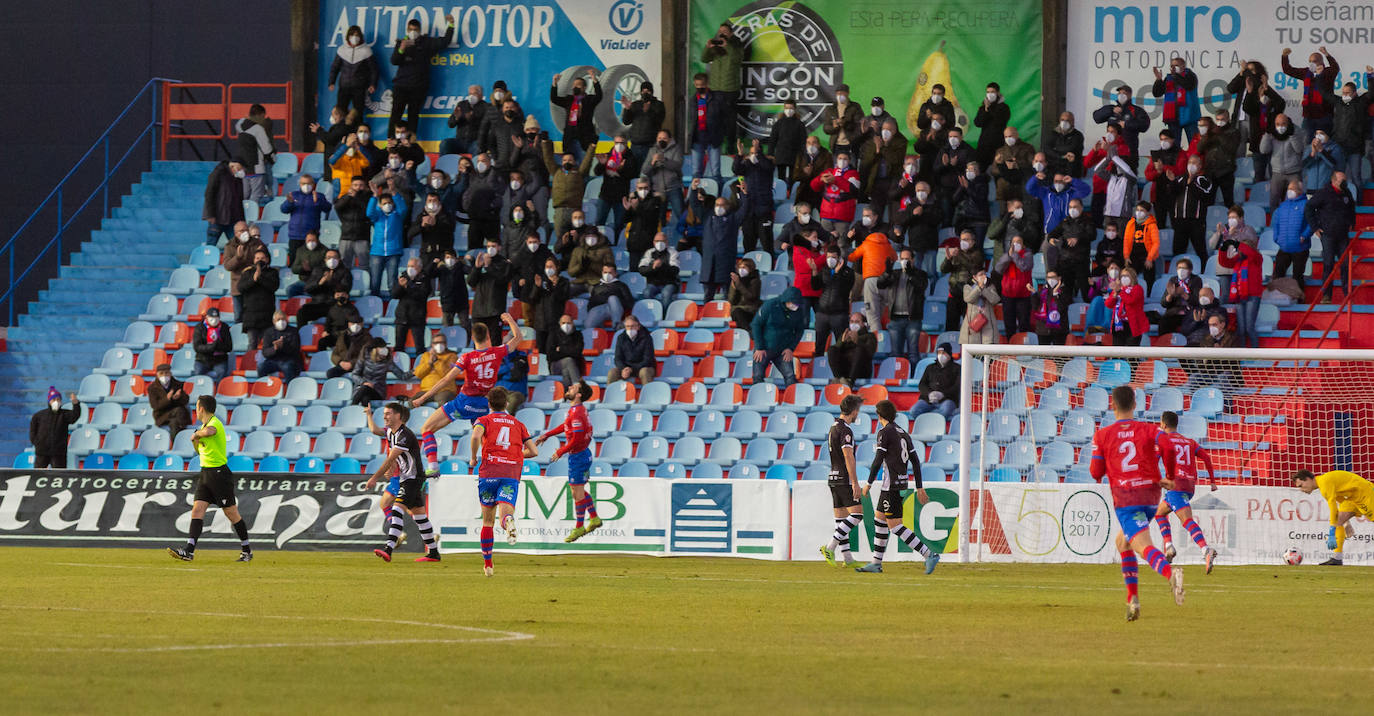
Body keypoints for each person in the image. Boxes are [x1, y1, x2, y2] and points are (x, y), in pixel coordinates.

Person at [1090, 386, 1185, 621]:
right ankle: (1132, 599)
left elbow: (1095, 472)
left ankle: (1171, 574)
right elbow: (1169, 447)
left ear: (1112, 406)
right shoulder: (1150, 429)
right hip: (1151, 496)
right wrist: (1171, 476)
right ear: (1135, 405)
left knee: (1142, 546)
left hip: (1126, 497)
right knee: (1122, 542)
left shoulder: (1103, 435)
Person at [412, 313, 523, 476]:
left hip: (463, 404)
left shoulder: (467, 358)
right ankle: (495, 468)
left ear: (472, 337)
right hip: (485, 405)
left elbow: (445, 380)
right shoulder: (497, 352)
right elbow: (518, 337)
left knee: (426, 428)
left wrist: (422, 398)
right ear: (488, 336)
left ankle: (433, 466)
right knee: (487, 438)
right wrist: (511, 320)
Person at [855, 400, 941, 574]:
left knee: (895, 526)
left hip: (891, 485)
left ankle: (929, 554)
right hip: (900, 482)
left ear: (879, 416)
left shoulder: (884, 432)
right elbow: (915, 461)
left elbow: (878, 459)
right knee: (880, 520)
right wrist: (919, 487)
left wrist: (868, 484)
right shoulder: (903, 433)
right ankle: (876, 563)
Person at [167, 396, 252, 563]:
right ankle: (189, 551)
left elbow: (210, 432)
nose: (195, 410)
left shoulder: (215, 423)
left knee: (231, 513)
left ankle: (247, 550)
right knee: (197, 510)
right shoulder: (202, 427)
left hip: (219, 474)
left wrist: (196, 434)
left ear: (201, 409)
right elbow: (199, 450)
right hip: (206, 473)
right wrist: (196, 440)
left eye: (197, 407)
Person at [468, 387, 536, 575]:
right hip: (510, 472)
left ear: (489, 404)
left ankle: (488, 564)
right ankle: (508, 521)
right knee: (505, 512)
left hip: (489, 471)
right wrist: (514, 454)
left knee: (487, 522)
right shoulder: (518, 423)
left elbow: (475, 436)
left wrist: (473, 458)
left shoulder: (483, 420)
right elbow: (534, 451)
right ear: (506, 404)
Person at [365, 402, 441, 563]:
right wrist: (369, 415)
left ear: (398, 416)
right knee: (420, 517)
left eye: (388, 414)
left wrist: (374, 478)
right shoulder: (390, 433)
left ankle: (388, 549)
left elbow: (391, 458)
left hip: (412, 478)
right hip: (407, 478)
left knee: (396, 508)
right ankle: (433, 553)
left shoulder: (404, 435)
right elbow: (392, 457)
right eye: (384, 414)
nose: (385, 416)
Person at [534, 381, 601, 542]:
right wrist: (548, 434)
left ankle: (579, 527)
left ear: (579, 395)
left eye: (573, 388)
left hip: (578, 456)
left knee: (576, 493)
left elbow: (577, 437)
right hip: (582, 454)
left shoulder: (577, 412)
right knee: (576, 490)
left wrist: (560, 451)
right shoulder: (577, 410)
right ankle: (594, 518)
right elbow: (566, 426)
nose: (569, 388)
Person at [1154, 411, 1218, 571]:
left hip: (1176, 484)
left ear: (1163, 424)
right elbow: (1206, 457)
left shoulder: (1163, 440)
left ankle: (1205, 549)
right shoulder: (1189, 441)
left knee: (1186, 520)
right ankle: (1168, 546)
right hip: (1190, 485)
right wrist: (1212, 481)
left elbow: (1154, 461)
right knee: (1159, 513)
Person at [1290, 469, 1374, 566]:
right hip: (1353, 498)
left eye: (1301, 486)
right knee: (1338, 521)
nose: (1301, 490)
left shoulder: (1324, 484)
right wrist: (1346, 523)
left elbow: (1333, 509)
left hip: (1364, 493)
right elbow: (1341, 502)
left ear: (1308, 479)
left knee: (1336, 522)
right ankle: (1337, 558)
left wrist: (1331, 532)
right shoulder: (1324, 483)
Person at [388, 14, 454, 137]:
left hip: (418, 86)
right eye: (410, 30)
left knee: (413, 114)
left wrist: (451, 25)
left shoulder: (426, 43)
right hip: (401, 86)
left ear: (419, 31)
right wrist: (401, 48)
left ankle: (411, 142)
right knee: (396, 114)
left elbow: (445, 42)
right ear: (407, 30)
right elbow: (394, 61)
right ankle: (391, 141)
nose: (413, 32)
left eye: (415, 30)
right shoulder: (401, 43)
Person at [819, 394, 865, 569]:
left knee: (841, 520)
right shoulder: (845, 430)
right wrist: (854, 482)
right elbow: (848, 456)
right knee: (857, 514)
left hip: (833, 477)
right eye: (858, 411)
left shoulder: (833, 427)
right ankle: (830, 547)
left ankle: (847, 558)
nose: (857, 415)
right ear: (853, 411)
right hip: (844, 478)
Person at [1306, 170, 1357, 303]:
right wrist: (1315, 227)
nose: (1345, 183)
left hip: (1343, 236)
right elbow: (1309, 208)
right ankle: (1326, 296)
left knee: (1345, 265)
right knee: (1328, 265)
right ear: (1334, 181)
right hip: (1328, 235)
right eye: (1342, 181)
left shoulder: (1346, 193)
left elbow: (1352, 208)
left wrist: (1352, 222)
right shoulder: (1323, 193)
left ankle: (1347, 295)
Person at [692, 181, 747, 300]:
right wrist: (693, 190)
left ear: (727, 207)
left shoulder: (733, 219)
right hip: (709, 264)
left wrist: (744, 194)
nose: (719, 208)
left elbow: (744, 210)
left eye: (722, 205)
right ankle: (706, 315)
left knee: (728, 295)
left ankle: (728, 314)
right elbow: (695, 206)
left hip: (725, 262)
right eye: (717, 205)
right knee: (708, 296)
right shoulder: (707, 217)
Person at [877, 247, 927, 365]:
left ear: (913, 260)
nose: (904, 261)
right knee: (895, 354)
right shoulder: (895, 273)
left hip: (913, 319)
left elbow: (921, 286)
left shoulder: (921, 274)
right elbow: (880, 284)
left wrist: (910, 274)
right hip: (895, 319)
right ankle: (896, 376)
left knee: (913, 354)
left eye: (907, 259)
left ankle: (914, 378)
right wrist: (886, 272)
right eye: (902, 258)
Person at [1324, 76, 1374, 192]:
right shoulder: (1338, 102)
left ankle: (1358, 206)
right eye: (1343, 92)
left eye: (1348, 92)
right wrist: (1320, 76)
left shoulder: (1361, 103)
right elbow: (1324, 93)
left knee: (1356, 178)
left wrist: (1370, 77)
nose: (1345, 95)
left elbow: (1372, 93)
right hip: (1339, 147)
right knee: (1337, 177)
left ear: (1355, 93)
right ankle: (1338, 201)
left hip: (1354, 149)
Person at [543, 135, 597, 240]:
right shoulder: (556, 171)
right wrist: (545, 143)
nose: (567, 162)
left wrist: (592, 147)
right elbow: (548, 159)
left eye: (570, 160)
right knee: (561, 239)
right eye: (564, 160)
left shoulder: (579, 173)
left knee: (577, 238)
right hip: (560, 211)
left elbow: (587, 161)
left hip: (575, 210)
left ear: (574, 162)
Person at [750, 287, 807, 386]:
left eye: (797, 303)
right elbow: (756, 325)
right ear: (786, 300)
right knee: (757, 377)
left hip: (783, 350)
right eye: (793, 303)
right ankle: (759, 399)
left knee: (790, 377)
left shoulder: (799, 311)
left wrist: (790, 348)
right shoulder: (770, 305)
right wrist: (759, 347)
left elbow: (799, 330)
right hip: (764, 348)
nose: (795, 306)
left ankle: (793, 399)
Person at [1280, 46, 1340, 139]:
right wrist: (1284, 56)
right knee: (1306, 142)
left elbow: (1335, 67)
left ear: (1321, 62)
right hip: (1309, 115)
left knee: (1324, 143)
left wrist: (1326, 54)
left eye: (1315, 61)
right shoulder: (1306, 72)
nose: (1312, 63)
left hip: (1324, 115)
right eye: (1310, 61)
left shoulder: (1328, 72)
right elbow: (1288, 70)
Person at [701, 22, 744, 148]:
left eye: (725, 31)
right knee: (714, 119)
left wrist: (727, 45)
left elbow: (735, 59)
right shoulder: (716, 46)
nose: (722, 34)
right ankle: (715, 144)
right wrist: (707, 47)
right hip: (714, 89)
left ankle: (730, 145)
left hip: (730, 90)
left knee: (730, 121)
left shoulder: (736, 44)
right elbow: (704, 59)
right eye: (720, 31)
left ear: (731, 34)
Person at [591, 135, 640, 243]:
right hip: (605, 195)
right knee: (599, 222)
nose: (619, 145)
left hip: (621, 196)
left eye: (622, 143)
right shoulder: (608, 156)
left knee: (619, 224)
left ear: (626, 144)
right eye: (617, 142)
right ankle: (598, 243)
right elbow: (597, 172)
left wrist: (620, 170)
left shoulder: (630, 158)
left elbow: (632, 174)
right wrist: (602, 164)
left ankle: (618, 245)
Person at [732, 138, 777, 253]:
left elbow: (768, 167)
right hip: (749, 210)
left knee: (767, 244)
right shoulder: (747, 164)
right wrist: (740, 154)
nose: (753, 156)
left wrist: (759, 155)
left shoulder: (768, 163)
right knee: (748, 244)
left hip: (764, 210)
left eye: (755, 153)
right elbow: (736, 169)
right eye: (751, 153)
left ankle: (770, 267)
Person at [1091, 84, 1150, 170]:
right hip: (1112, 151)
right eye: (1119, 93)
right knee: (1111, 177)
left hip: (1129, 152)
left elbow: (1145, 125)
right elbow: (1096, 118)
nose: (1121, 95)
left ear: (1129, 95)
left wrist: (1127, 124)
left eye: (1124, 93)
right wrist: (1111, 110)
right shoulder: (1112, 109)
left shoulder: (1136, 110)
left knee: (1129, 177)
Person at [1045, 199, 1094, 301]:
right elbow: (1052, 234)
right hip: (1065, 261)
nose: (1072, 209)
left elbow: (1092, 235)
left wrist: (1078, 238)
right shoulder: (1065, 222)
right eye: (1070, 207)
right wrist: (1051, 240)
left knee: (1086, 291)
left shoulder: (1088, 221)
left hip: (1081, 261)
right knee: (1066, 292)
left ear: (1081, 208)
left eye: (1075, 207)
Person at [1217, 239, 1262, 348]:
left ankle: (1256, 353)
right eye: (1241, 248)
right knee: (1241, 329)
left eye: (1244, 247)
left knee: (1249, 327)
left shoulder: (1257, 258)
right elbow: (1224, 262)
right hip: (1239, 297)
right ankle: (1241, 354)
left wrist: (1238, 244)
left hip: (1253, 297)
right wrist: (1223, 249)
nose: (1242, 249)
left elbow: (1251, 253)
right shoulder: (1238, 260)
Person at [550, 69, 602, 163]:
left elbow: (599, 96)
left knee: (584, 166)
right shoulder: (569, 99)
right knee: (570, 165)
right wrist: (554, 83)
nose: (575, 87)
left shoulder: (589, 99)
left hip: (585, 138)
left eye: (578, 85)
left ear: (584, 87)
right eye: (573, 85)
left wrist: (594, 79)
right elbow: (554, 99)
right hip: (570, 139)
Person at [640, 130, 685, 240]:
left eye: (664, 138)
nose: (661, 140)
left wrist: (664, 160)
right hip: (658, 189)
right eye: (659, 138)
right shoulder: (652, 150)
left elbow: (677, 166)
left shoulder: (676, 149)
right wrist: (653, 162)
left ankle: (686, 237)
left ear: (670, 139)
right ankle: (660, 240)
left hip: (674, 187)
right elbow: (645, 170)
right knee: (659, 218)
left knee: (681, 214)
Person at [811, 244, 856, 352]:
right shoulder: (824, 270)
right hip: (822, 314)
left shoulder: (848, 272)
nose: (830, 260)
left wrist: (837, 273)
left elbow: (843, 290)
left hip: (839, 315)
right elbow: (815, 287)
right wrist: (814, 272)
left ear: (839, 258)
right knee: (819, 347)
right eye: (828, 257)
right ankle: (818, 367)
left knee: (841, 346)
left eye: (833, 257)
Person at [468, 237, 514, 340]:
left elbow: (502, 280)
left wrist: (489, 267)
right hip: (478, 311)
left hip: (495, 311)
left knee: (494, 343)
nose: (490, 248)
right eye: (488, 246)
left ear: (499, 247)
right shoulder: (481, 262)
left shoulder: (505, 264)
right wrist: (477, 268)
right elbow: (471, 282)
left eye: (493, 246)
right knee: (479, 343)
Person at [1169, 156, 1214, 259]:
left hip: (1196, 221)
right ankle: (1177, 271)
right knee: (1178, 251)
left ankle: (1203, 271)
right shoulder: (1180, 179)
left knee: (1200, 250)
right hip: (1180, 221)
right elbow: (1172, 194)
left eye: (1194, 163)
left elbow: (1206, 195)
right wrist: (1172, 182)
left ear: (1200, 166)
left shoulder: (1203, 179)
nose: (1191, 165)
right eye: (1190, 162)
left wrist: (1191, 182)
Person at [1270, 180, 1311, 291]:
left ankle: (1299, 300)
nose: (1289, 191)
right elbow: (1276, 223)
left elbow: (1312, 223)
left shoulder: (1306, 205)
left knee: (1297, 276)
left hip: (1300, 247)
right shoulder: (1283, 206)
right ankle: (1277, 297)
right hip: (1284, 247)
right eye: (1289, 189)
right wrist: (1277, 238)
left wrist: (1304, 236)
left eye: (1292, 189)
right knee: (1278, 274)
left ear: (1299, 191)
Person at [941, 230, 985, 331]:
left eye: (966, 239)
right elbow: (943, 269)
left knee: (969, 327)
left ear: (973, 241)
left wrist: (957, 255)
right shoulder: (956, 253)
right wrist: (948, 259)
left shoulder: (978, 253)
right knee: (951, 325)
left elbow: (973, 266)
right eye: (961, 239)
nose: (962, 242)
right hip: (954, 293)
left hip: (969, 295)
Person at [281, 176, 332, 263]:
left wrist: (318, 202)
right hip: (295, 235)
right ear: (300, 184)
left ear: (313, 184)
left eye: (308, 183)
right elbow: (283, 209)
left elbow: (327, 208)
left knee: (311, 262)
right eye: (304, 183)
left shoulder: (319, 196)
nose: (306, 186)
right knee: (294, 262)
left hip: (311, 237)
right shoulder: (294, 195)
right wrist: (289, 202)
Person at [1196, 110, 1242, 206]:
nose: (1220, 122)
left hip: (1226, 171)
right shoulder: (1212, 132)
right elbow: (1199, 148)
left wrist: (1219, 134)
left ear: (1228, 119)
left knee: (1228, 201)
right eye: (1218, 119)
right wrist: (1207, 135)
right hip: (1210, 172)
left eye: (1222, 119)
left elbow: (1231, 148)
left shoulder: (1234, 132)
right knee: (1208, 201)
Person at [688, 73, 726, 187]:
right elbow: (691, 119)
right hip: (697, 139)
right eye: (697, 85)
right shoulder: (693, 100)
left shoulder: (717, 98)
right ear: (694, 84)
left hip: (713, 138)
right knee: (696, 173)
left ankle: (717, 196)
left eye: (702, 85)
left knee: (716, 172)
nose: (700, 87)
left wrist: (721, 132)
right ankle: (696, 197)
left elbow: (724, 116)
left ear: (707, 84)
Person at [365, 193, 406, 299]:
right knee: (375, 280)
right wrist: (374, 197)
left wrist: (395, 194)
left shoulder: (397, 215)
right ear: (380, 205)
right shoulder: (377, 216)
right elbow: (369, 213)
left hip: (393, 252)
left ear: (393, 203)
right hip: (377, 252)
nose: (387, 205)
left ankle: (394, 301)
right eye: (384, 203)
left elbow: (403, 209)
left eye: (389, 202)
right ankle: (374, 303)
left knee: (392, 280)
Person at [236, 247, 278, 351]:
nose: (260, 260)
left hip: (267, 315)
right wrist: (253, 279)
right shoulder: (247, 272)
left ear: (267, 259)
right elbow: (240, 288)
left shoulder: (272, 272)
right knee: (252, 343)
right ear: (253, 260)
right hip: (251, 316)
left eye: (262, 258)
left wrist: (260, 278)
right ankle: (251, 364)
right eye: (257, 258)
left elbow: (274, 286)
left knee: (267, 344)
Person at [810, 151, 861, 236]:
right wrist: (821, 179)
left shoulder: (853, 174)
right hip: (826, 215)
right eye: (840, 158)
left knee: (841, 244)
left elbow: (854, 190)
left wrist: (836, 180)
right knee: (826, 242)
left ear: (849, 161)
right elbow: (813, 186)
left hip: (843, 217)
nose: (842, 161)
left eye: (845, 159)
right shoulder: (829, 171)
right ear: (836, 160)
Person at [220, 223, 265, 318]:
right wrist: (237, 258)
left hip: (253, 284)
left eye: (246, 230)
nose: (245, 233)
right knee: (239, 316)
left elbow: (265, 260)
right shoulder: (230, 246)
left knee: (254, 316)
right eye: (241, 231)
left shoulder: (257, 243)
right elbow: (227, 266)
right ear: (236, 233)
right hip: (237, 286)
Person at [1152, 58, 1201, 144]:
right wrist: (1159, 80)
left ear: (1183, 66)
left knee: (1194, 144)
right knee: (1174, 146)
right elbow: (1157, 93)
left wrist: (1175, 75)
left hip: (1189, 116)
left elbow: (1188, 85)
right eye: (1172, 66)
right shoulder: (1169, 78)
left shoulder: (1190, 75)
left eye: (1176, 65)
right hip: (1173, 118)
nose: (1173, 68)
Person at [1143, 130, 1185, 229]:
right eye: (1161, 139)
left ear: (1173, 140)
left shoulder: (1180, 153)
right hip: (1158, 194)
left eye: (1166, 139)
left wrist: (1163, 168)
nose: (1163, 141)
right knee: (1159, 225)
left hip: (1175, 194)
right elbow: (1148, 175)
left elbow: (1181, 171)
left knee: (1176, 225)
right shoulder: (1156, 155)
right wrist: (1157, 172)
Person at [235, 104, 277, 202]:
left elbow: (241, 121)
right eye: (263, 116)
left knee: (245, 194)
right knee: (256, 195)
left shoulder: (240, 126)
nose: (263, 119)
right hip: (257, 167)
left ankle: (243, 215)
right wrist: (273, 159)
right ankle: (252, 216)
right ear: (259, 115)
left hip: (244, 166)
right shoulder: (258, 129)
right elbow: (267, 149)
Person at [29, 387, 79, 469]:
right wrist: (37, 443)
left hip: (59, 453)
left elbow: (75, 416)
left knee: (59, 474)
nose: (56, 402)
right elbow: (33, 431)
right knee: (38, 473)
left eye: (58, 399)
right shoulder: (39, 415)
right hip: (42, 451)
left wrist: (75, 404)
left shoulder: (64, 414)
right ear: (49, 401)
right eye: (53, 399)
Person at [1261, 115, 1304, 210]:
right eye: (1278, 124)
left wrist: (1292, 136)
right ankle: (1274, 223)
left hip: (1294, 172)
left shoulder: (1296, 131)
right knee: (1274, 201)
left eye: (1283, 124)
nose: (1281, 127)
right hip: (1277, 172)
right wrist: (1267, 135)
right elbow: (1264, 150)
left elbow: (1299, 149)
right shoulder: (1272, 133)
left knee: (1296, 200)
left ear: (1288, 123)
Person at [349, 343, 413, 406]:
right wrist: (363, 382)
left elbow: (402, 376)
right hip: (364, 391)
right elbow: (354, 375)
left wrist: (415, 371)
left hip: (378, 392)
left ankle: (352, 407)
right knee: (365, 398)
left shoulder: (387, 363)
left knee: (365, 388)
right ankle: (366, 415)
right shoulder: (364, 360)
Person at [995, 235, 1033, 339]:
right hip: (1008, 294)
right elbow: (998, 268)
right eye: (1014, 242)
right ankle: (1010, 345)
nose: (1016, 244)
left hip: (1023, 295)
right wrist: (1009, 256)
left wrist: (1015, 256)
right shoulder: (1007, 255)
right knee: (1009, 323)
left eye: (1019, 242)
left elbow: (1024, 267)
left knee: (1023, 322)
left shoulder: (1028, 254)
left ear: (1023, 244)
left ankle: (1023, 346)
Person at [390, 257, 430, 355]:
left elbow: (422, 295)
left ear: (419, 268)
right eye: (408, 266)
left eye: (412, 266)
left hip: (417, 317)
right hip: (402, 316)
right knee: (399, 347)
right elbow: (394, 295)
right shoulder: (403, 276)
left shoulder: (425, 278)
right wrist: (400, 286)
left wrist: (408, 286)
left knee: (420, 347)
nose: (409, 268)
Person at [826, 313, 876, 388]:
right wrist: (842, 342)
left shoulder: (870, 336)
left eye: (857, 322)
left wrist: (857, 341)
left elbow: (869, 353)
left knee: (859, 350)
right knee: (832, 349)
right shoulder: (845, 335)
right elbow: (836, 350)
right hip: (845, 369)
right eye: (852, 321)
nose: (853, 324)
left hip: (861, 370)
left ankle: (850, 381)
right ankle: (839, 378)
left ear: (864, 324)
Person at [909, 343, 959, 420]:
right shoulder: (930, 367)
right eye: (939, 353)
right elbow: (922, 384)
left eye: (943, 353)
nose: (941, 355)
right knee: (914, 411)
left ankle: (935, 425)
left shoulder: (957, 368)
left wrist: (942, 394)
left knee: (946, 410)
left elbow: (957, 386)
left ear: (949, 353)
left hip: (947, 399)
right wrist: (930, 393)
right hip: (928, 399)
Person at [333, 176, 373, 268]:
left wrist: (356, 198)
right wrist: (348, 197)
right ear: (351, 186)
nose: (358, 187)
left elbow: (367, 211)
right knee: (344, 265)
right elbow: (337, 207)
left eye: (361, 185)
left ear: (365, 186)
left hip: (362, 237)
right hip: (346, 236)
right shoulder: (346, 197)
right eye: (355, 185)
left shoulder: (368, 198)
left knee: (364, 265)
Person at [202, 159, 245, 246]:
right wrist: (210, 214)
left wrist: (242, 220)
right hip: (217, 217)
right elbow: (209, 194)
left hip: (233, 219)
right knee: (211, 244)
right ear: (233, 166)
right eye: (240, 169)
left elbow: (239, 201)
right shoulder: (218, 173)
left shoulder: (238, 179)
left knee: (238, 246)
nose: (241, 171)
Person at [621, 81, 666, 164]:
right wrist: (627, 109)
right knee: (635, 170)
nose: (645, 93)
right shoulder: (635, 104)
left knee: (648, 170)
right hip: (635, 144)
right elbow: (626, 121)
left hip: (650, 145)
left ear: (651, 92)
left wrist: (648, 111)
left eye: (647, 91)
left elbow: (659, 120)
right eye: (643, 91)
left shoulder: (659, 105)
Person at [990, 126, 1035, 203]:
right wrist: (1004, 168)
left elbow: (1032, 165)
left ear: (1017, 135)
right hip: (1004, 186)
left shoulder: (1028, 148)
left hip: (1022, 183)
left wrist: (1017, 165)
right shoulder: (1000, 151)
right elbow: (993, 170)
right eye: (1006, 137)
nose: (1008, 138)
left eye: (1010, 136)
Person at [409, 192, 456, 266]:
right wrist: (421, 226)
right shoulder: (422, 216)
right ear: (426, 202)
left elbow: (451, 229)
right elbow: (410, 233)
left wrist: (436, 223)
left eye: (434, 201)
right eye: (429, 201)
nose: (432, 203)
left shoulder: (446, 215)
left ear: (439, 202)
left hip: (443, 253)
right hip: (426, 253)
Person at [1104, 266, 1147, 346]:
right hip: (1118, 324)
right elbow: (1108, 304)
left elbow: (1130, 300)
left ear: (1132, 277)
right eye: (1122, 276)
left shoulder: (1137, 289)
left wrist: (1120, 291)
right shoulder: (1119, 289)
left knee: (1131, 354)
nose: (1124, 278)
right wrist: (1115, 294)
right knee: (1117, 353)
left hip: (1133, 325)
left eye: (1127, 276)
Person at [767, 99, 806, 185]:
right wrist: (770, 154)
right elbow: (772, 140)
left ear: (795, 109)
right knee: (781, 178)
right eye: (787, 108)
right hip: (781, 155)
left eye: (791, 108)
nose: (789, 110)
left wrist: (804, 155)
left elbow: (803, 141)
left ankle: (791, 194)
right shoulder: (778, 123)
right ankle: (782, 193)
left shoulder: (800, 124)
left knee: (794, 177)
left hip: (795, 155)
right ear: (784, 109)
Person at [1159, 258, 1202, 335]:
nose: (1181, 270)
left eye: (1184, 268)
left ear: (1190, 270)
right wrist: (1170, 295)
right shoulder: (1173, 280)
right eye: (1179, 268)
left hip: (1190, 312)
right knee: (1164, 322)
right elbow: (1163, 303)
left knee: (1190, 325)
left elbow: (1197, 301)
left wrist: (1183, 294)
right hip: (1174, 312)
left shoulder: (1196, 280)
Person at [819, 84, 862, 160]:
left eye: (842, 93)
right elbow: (826, 128)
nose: (840, 95)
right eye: (838, 93)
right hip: (836, 145)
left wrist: (845, 123)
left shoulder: (855, 107)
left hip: (851, 144)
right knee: (837, 169)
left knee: (851, 169)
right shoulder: (831, 108)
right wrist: (834, 127)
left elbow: (859, 126)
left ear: (848, 93)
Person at [973, 83, 1011, 169]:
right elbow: (977, 123)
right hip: (984, 144)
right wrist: (985, 110)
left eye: (992, 92)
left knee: (996, 169)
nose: (990, 94)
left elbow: (999, 121)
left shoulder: (1004, 107)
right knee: (981, 168)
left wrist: (989, 109)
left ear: (998, 93)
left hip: (998, 144)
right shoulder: (983, 108)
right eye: (988, 92)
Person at [147, 364, 192, 437]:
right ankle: (184, 436)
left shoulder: (178, 384)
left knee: (175, 422)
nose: (164, 375)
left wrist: (178, 398)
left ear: (170, 373)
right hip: (163, 416)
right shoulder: (152, 388)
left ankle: (177, 443)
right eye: (161, 373)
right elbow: (155, 406)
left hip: (177, 416)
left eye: (166, 373)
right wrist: (167, 399)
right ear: (157, 375)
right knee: (179, 410)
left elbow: (186, 400)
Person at [412, 334, 457, 407]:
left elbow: (446, 374)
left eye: (441, 342)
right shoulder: (426, 355)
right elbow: (418, 374)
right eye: (436, 343)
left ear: (445, 344)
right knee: (412, 402)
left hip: (445, 390)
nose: (439, 344)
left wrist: (437, 360)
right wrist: (429, 363)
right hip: (427, 390)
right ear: (432, 345)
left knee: (444, 402)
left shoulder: (452, 356)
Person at [1122, 201, 1160, 287]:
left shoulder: (1152, 224)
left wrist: (1150, 258)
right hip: (1134, 254)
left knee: (1149, 276)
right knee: (1129, 275)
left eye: (1142, 210)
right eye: (1137, 210)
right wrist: (1126, 256)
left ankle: (1149, 293)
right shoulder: (1131, 223)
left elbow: (1156, 243)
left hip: (1147, 255)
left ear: (1147, 212)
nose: (1139, 212)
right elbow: (1126, 241)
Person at [258, 311, 302, 382]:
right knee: (261, 367)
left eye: (283, 319)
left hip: (289, 360)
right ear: (274, 321)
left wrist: (283, 346)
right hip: (273, 360)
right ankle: (264, 388)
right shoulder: (268, 332)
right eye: (278, 319)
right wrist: (275, 348)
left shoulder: (293, 331)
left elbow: (295, 350)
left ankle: (290, 389)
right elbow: (265, 352)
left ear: (286, 320)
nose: (281, 322)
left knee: (287, 367)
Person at [609, 315, 654, 385]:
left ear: (638, 326)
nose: (630, 329)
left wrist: (632, 369)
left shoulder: (647, 338)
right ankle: (610, 394)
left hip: (643, 367)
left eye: (633, 326)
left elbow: (648, 360)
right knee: (612, 372)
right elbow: (617, 358)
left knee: (645, 372)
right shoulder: (621, 338)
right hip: (626, 367)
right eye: (628, 326)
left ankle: (647, 394)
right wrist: (624, 368)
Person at [567, 224, 613, 292]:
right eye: (588, 236)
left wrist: (591, 264)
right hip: (580, 282)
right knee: (563, 293)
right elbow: (571, 272)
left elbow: (610, 271)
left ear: (598, 237)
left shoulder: (606, 250)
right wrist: (581, 266)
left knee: (598, 296)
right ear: (585, 237)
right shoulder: (578, 250)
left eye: (593, 236)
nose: (591, 239)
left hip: (596, 282)